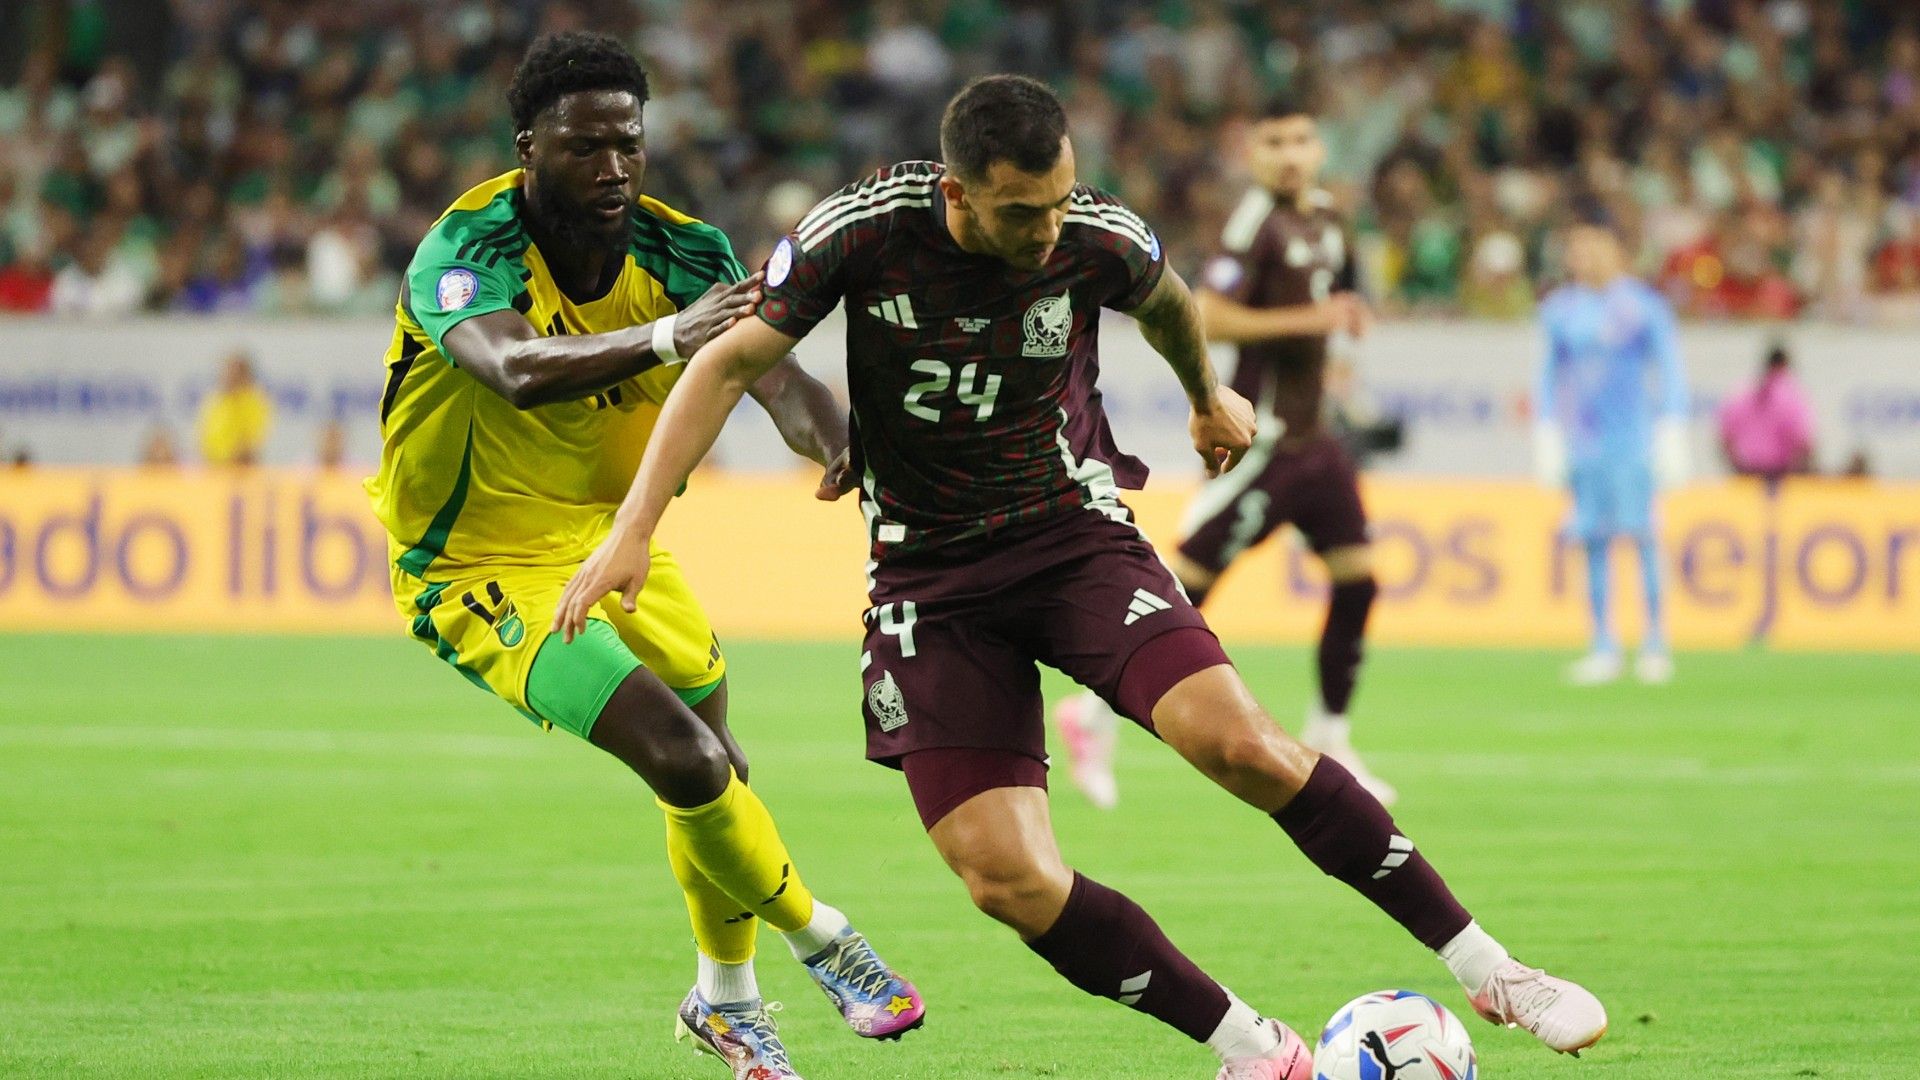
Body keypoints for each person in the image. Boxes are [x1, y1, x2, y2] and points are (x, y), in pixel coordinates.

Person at [556, 75, 1607, 1080]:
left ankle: (1493, 969)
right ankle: (1252, 1047)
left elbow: (1170, 301)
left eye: (1060, 200)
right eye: (1023, 213)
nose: (1048, 231)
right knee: (1004, 880)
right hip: (928, 581)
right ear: (959, 193)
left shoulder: (1096, 233)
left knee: (1240, 744)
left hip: (1072, 539)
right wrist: (635, 529)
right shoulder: (861, 232)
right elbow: (725, 363)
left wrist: (1206, 398)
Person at [361, 33, 920, 1080]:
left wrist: (849, 446)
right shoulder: (465, 248)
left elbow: (779, 385)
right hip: (474, 564)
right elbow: (514, 368)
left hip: (612, 542)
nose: (613, 167)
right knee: (691, 760)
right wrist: (670, 341)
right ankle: (824, 938)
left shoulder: (684, 252)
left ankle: (725, 1001)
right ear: (528, 146)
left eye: (629, 143)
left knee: (719, 774)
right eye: (585, 147)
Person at [1055, 96, 1396, 811]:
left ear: (1319, 147)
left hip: (1317, 438)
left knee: (1359, 582)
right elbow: (1209, 312)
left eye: (1302, 137)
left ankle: (1332, 732)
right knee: (1184, 587)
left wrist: (1339, 329)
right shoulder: (1252, 225)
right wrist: (1315, 319)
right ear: (1254, 154)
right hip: (1265, 440)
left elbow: (1336, 301)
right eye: (1275, 142)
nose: (1291, 153)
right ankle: (1087, 717)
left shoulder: (1328, 218)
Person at [1534, 220, 1690, 686]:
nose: (1578, 260)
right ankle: (1604, 643)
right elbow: (1548, 375)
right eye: (1573, 252)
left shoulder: (1643, 307)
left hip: (1633, 440)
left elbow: (1670, 368)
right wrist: (1547, 432)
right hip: (1585, 443)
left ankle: (1655, 641)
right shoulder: (1560, 311)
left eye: (1588, 250)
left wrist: (1671, 427)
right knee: (1593, 541)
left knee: (1643, 538)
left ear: (1613, 253)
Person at [1718, 344, 1815, 482]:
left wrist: (1737, 467)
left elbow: (1724, 437)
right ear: (1785, 365)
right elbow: (1805, 442)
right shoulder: (1791, 394)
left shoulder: (1742, 392)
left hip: (1745, 474)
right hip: (1780, 476)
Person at [197, 351, 274, 466]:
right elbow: (203, 437)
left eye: (235, 372)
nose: (230, 376)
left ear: (246, 375)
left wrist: (231, 458)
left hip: (242, 470)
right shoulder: (214, 401)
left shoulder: (255, 402)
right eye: (227, 371)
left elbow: (251, 442)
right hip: (212, 469)